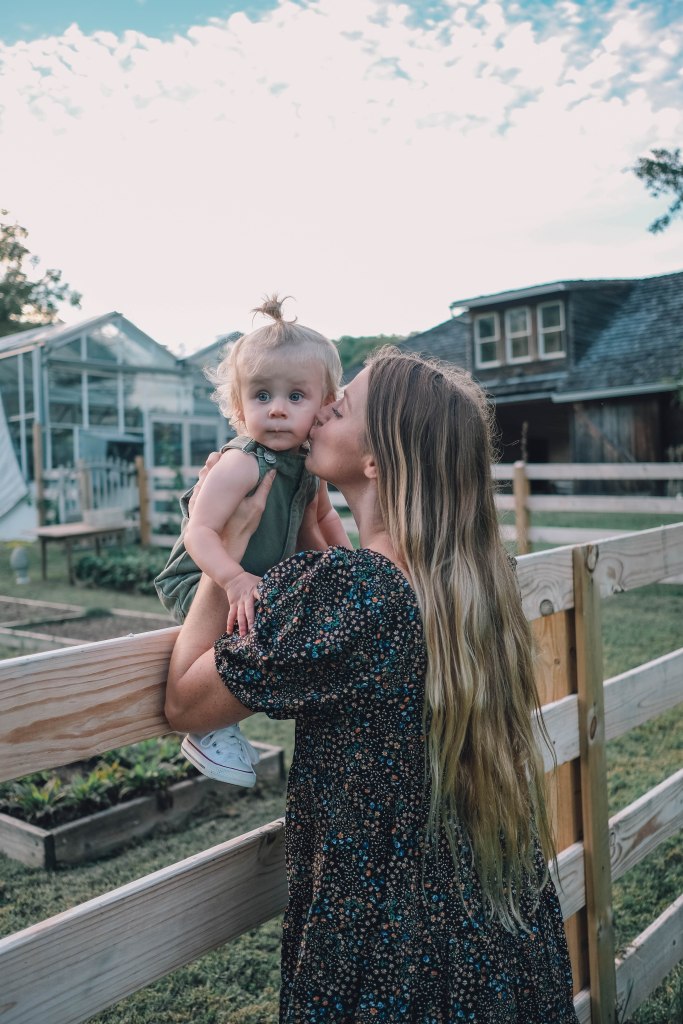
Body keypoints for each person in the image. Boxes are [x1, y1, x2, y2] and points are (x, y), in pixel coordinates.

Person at [165, 347, 579, 1023]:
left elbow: (185, 700)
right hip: (491, 917)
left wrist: (227, 551)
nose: (321, 408)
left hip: (385, 932)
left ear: (377, 461)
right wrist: (304, 528)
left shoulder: (358, 592)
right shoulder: (466, 576)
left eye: (343, 405)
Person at [157, 296, 350, 787]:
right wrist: (233, 578)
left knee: (289, 624)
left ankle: (222, 716)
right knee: (260, 633)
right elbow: (198, 531)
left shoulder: (305, 465)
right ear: (240, 407)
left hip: (250, 580)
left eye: (296, 396)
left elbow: (325, 517)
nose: (278, 409)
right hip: (203, 577)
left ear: (325, 403)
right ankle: (210, 728)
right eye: (262, 396)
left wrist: (352, 566)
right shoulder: (243, 462)